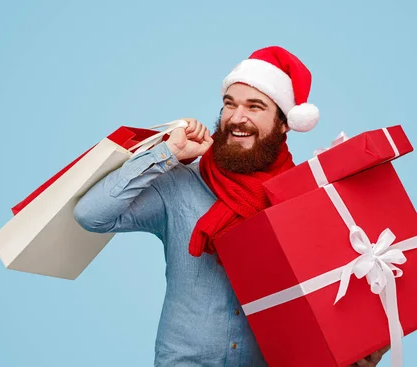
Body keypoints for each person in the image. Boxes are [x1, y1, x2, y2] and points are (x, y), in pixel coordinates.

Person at [74, 46, 389, 367]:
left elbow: (331, 287)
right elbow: (91, 215)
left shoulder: (304, 195)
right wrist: (166, 152)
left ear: (283, 124)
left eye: (255, 107)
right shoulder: (180, 182)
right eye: (230, 105)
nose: (237, 118)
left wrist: (360, 345)